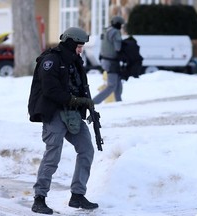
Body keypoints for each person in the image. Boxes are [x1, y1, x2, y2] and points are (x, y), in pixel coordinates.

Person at [28, 27, 99, 215]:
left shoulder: (75, 62)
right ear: (70, 42)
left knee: (86, 150)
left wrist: (88, 108)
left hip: (73, 114)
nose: (81, 49)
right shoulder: (51, 60)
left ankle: (77, 195)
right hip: (54, 113)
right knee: (53, 155)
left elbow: (81, 87)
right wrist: (76, 100)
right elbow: (50, 90)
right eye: (78, 45)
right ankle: (39, 198)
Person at [92, 15, 125, 104]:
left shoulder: (106, 30)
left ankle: (119, 101)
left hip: (105, 60)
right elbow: (118, 48)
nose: (121, 27)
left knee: (118, 82)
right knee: (112, 85)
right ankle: (94, 102)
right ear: (117, 24)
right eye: (120, 24)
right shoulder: (115, 32)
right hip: (112, 62)